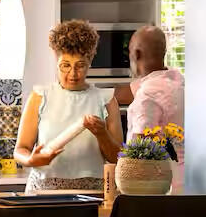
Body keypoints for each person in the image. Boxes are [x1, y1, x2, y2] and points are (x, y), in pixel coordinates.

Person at [15, 20, 124, 192]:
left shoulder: (106, 100)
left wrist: (102, 134)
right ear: (56, 61)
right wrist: (30, 160)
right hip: (43, 191)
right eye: (65, 65)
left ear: (90, 62)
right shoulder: (40, 96)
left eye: (80, 65)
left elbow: (118, 159)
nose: (73, 74)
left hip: (92, 194)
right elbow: (21, 149)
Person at [125, 25, 185, 192]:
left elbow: (139, 155)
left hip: (160, 190)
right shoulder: (179, 83)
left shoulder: (148, 95)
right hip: (186, 185)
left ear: (136, 54)